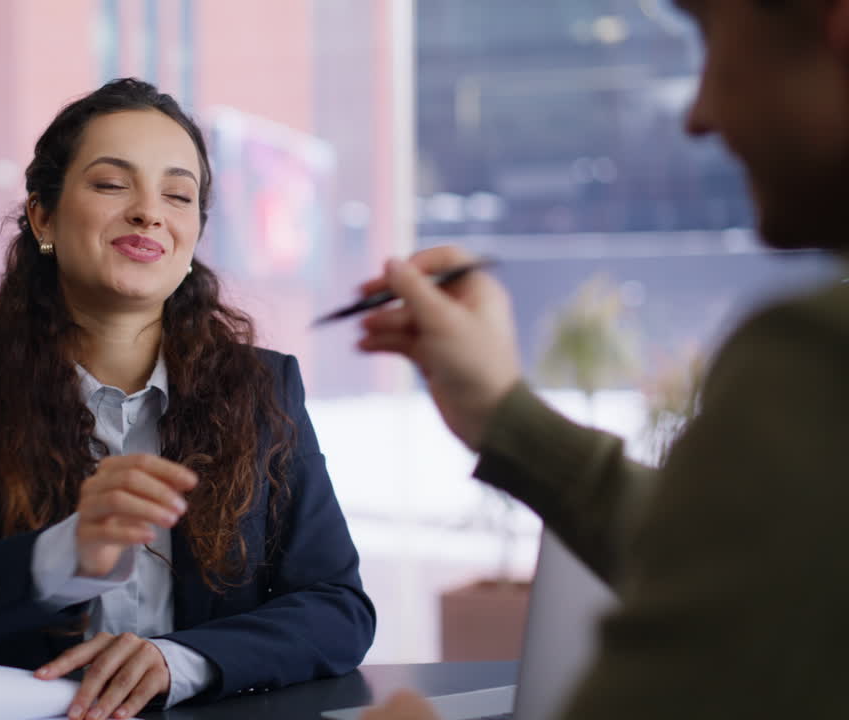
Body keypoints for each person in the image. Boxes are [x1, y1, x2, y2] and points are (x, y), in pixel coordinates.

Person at [356, 1, 849, 718]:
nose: (700, 114)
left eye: (711, 40)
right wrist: (501, 413)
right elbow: (744, 561)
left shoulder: (815, 366)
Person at [0, 78, 375, 720]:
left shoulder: (262, 390)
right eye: (112, 184)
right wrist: (66, 554)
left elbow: (338, 606)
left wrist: (181, 661)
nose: (149, 212)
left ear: (193, 233)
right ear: (43, 216)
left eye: (178, 194)